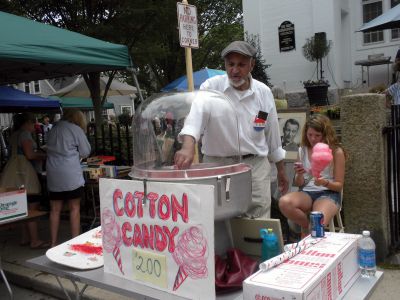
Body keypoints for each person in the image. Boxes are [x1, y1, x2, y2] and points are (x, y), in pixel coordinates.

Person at [174, 40, 289, 218]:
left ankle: (256, 246)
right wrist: (188, 145)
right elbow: (195, 116)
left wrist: (281, 170)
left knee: (257, 216)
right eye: (230, 64)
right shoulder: (211, 87)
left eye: (241, 65)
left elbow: (272, 135)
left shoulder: (263, 93)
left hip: (254, 167)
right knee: (218, 216)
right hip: (217, 165)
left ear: (252, 64)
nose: (234, 70)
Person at [278, 114, 346, 237]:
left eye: (317, 135)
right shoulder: (302, 150)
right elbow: (299, 184)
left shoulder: (336, 152)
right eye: (310, 135)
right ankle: (305, 227)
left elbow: (339, 186)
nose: (313, 139)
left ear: (325, 135)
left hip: (328, 193)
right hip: (307, 192)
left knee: (317, 222)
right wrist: (299, 174)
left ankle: (311, 236)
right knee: (284, 202)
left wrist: (324, 182)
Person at [46, 108, 91, 247]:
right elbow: (86, 151)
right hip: (70, 172)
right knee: (74, 207)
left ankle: (53, 243)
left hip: (53, 170)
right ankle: (74, 241)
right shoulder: (75, 129)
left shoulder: (53, 129)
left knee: (55, 209)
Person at [9, 113, 49, 249]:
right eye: (33, 122)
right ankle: (35, 240)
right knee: (33, 208)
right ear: (26, 123)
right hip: (27, 174)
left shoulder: (14, 134)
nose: (35, 125)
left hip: (15, 174)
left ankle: (24, 237)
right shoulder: (25, 135)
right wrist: (44, 155)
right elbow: (30, 155)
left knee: (22, 207)